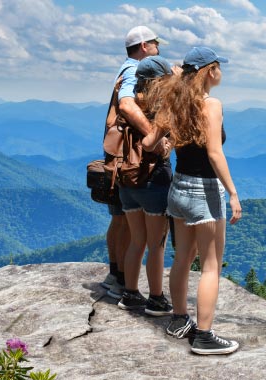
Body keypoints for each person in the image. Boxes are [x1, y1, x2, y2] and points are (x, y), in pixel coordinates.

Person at [156, 46, 242, 355]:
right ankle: (204, 336)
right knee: (210, 266)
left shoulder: (176, 102)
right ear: (209, 71)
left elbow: (152, 140)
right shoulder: (211, 104)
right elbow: (214, 153)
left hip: (178, 188)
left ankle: (179, 319)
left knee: (182, 258)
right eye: (219, 67)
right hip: (205, 191)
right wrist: (232, 192)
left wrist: (165, 142)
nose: (222, 73)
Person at [104, 25, 167, 300]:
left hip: (118, 157)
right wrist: (154, 136)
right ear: (143, 46)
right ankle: (126, 284)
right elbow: (128, 105)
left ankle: (117, 277)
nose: (158, 48)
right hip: (136, 161)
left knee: (121, 218)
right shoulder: (134, 71)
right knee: (140, 232)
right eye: (154, 43)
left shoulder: (123, 69)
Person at [116, 55, 176, 316]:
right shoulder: (159, 106)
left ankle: (129, 293)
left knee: (136, 241)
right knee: (156, 245)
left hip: (126, 179)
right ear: (159, 80)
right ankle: (156, 299)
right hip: (154, 180)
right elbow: (163, 146)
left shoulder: (127, 102)